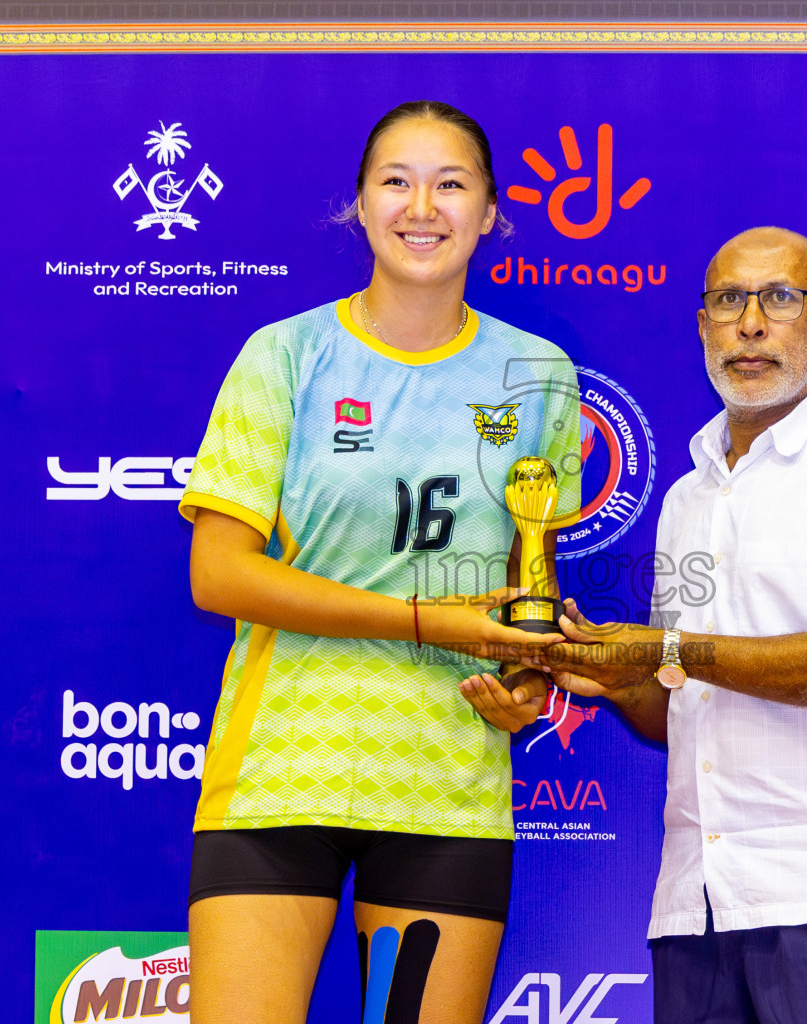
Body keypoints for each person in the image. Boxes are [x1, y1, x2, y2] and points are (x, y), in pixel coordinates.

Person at [463, 226, 807, 1024]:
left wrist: (671, 649)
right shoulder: (688, 496)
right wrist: (619, 681)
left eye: (781, 299)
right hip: (697, 908)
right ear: (702, 326)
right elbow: (683, 707)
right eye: (728, 300)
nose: (750, 323)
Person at [178, 100, 580, 1024]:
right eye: (395, 182)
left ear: (491, 212)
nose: (421, 206)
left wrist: (527, 676)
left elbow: (529, 584)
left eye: (451, 184)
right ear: (359, 206)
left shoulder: (541, 374)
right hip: (284, 769)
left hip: (447, 780)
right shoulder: (285, 355)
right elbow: (220, 575)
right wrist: (421, 621)